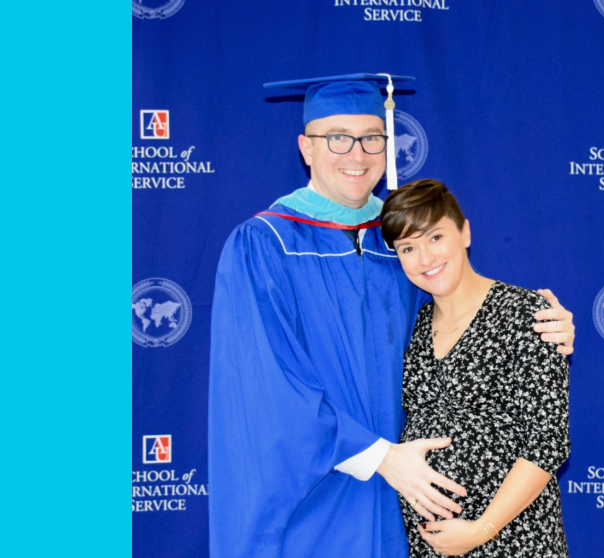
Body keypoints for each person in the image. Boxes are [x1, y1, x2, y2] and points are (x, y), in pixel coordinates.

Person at [208, 74, 576, 558]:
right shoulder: (266, 245)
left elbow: (459, 320)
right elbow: (264, 386)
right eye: (337, 138)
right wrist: (380, 457)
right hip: (317, 497)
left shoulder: (397, 240)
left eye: (371, 138)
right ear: (306, 148)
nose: (357, 154)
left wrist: (546, 324)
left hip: (407, 501)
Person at [380, 179, 571, 557]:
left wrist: (480, 530)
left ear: (464, 232)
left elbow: (547, 442)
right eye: (408, 247)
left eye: (435, 237)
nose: (425, 258)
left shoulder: (527, 315)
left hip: (515, 541)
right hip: (432, 544)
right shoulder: (411, 328)